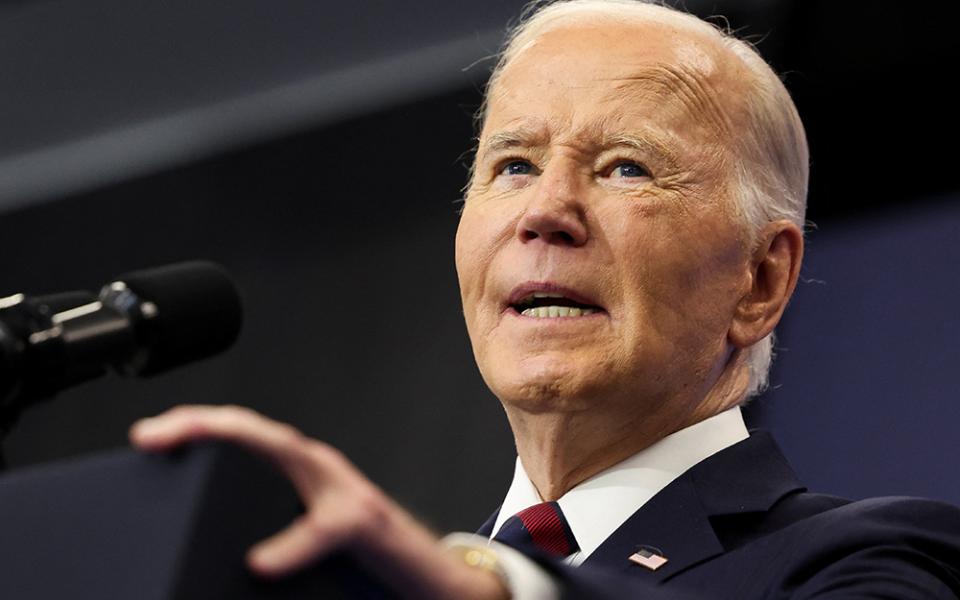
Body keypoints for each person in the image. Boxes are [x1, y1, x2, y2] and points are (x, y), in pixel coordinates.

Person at [129, 1, 960, 598]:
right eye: (514, 165)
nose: (544, 212)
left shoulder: (875, 561)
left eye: (626, 168)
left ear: (761, 280)